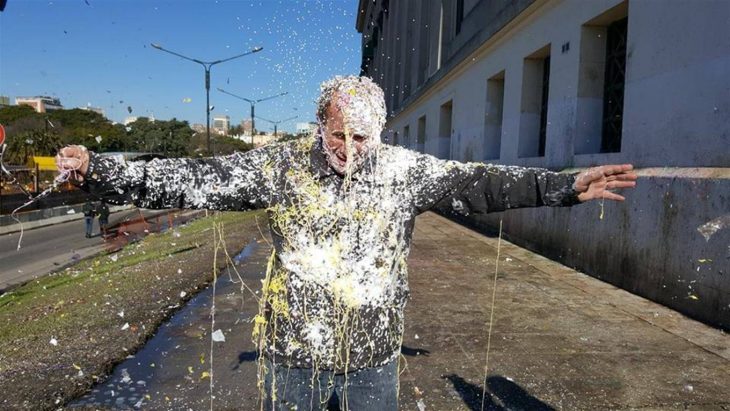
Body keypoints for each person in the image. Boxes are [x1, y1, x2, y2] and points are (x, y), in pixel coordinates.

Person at [57, 76, 636, 410]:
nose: (352, 149)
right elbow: (194, 179)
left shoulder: (403, 171)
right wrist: (104, 172)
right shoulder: (281, 168)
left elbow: (480, 182)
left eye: (364, 137)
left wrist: (562, 187)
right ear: (319, 126)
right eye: (340, 135)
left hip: (373, 360)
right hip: (292, 358)